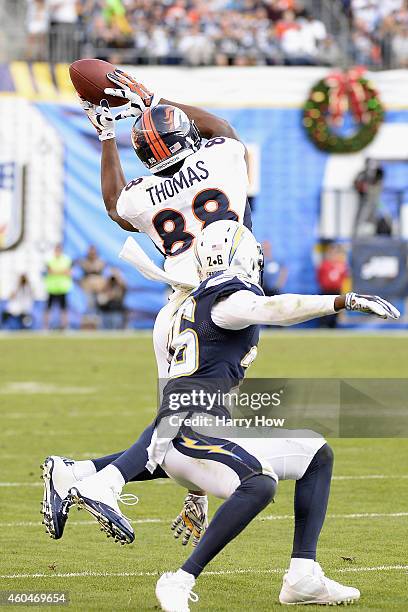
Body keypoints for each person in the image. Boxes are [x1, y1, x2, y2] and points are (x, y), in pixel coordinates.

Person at [41, 221, 399, 608]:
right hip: (191, 434)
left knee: (316, 453)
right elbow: (272, 308)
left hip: (191, 433)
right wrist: (338, 301)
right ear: (246, 258)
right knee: (259, 484)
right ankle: (179, 579)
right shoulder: (229, 300)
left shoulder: (183, 308)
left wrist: (196, 490)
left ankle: (303, 576)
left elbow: (180, 393)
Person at [79, 67, 253, 379]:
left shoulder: (142, 196)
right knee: (213, 408)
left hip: (179, 309)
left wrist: (106, 136)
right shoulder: (220, 159)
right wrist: (151, 99)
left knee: (173, 408)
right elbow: (221, 127)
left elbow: (114, 205)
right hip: (229, 295)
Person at [317, 243, 349, 329]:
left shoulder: (342, 265)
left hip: (337, 291)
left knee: (335, 310)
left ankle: (333, 326)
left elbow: (344, 279)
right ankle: (323, 325)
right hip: (326, 290)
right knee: (324, 309)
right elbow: (320, 277)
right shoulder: (325, 265)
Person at [43, 244, 73, 330]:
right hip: (52, 288)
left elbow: (69, 272)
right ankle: (45, 327)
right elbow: (50, 272)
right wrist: (62, 272)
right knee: (48, 308)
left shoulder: (66, 259)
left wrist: (56, 272)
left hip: (63, 288)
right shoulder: (50, 260)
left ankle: (65, 326)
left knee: (64, 309)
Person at [354, 159, 384, 236]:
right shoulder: (362, 174)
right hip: (365, 200)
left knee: (375, 216)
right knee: (361, 217)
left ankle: (374, 233)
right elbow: (357, 184)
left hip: (375, 200)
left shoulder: (379, 174)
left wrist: (369, 186)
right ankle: (356, 234)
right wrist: (362, 187)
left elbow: (377, 185)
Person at [77, 245, 106, 313]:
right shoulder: (84, 261)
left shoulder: (100, 261)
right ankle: (90, 320)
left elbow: (98, 268)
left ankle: (98, 320)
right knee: (90, 304)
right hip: (88, 287)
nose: (92, 253)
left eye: (93, 251)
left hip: (99, 287)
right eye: (90, 251)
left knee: (100, 303)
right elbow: (87, 269)